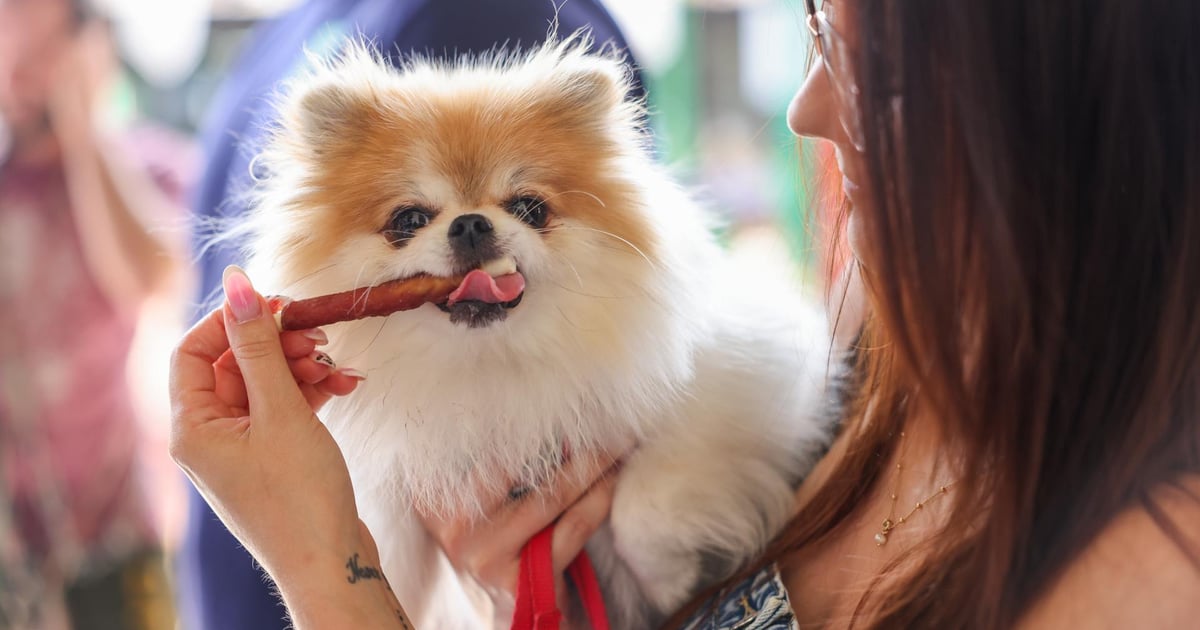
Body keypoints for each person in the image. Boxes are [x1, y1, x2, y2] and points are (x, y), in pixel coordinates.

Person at [169, 0, 1200, 628]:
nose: (808, 108)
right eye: (813, 30)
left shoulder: (1159, 569)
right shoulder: (877, 377)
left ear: (1057, 104)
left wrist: (322, 561)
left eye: (861, 60)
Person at [178, 1, 644, 628]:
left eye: (527, 207)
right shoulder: (291, 29)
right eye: (408, 220)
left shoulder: (466, 14)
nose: (468, 229)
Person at [0, 0, 186, 627]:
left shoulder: (140, 166)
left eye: (43, 47)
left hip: (118, 530)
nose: (22, 70)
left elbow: (151, 279)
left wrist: (83, 130)